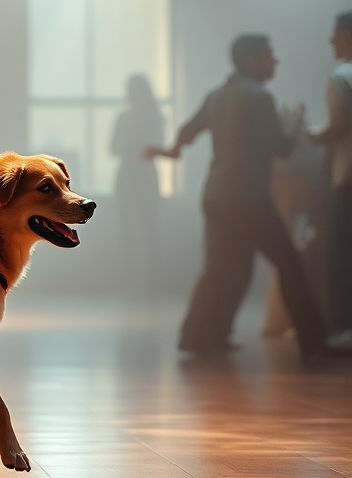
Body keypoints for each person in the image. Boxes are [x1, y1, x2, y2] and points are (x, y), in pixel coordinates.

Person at [147, 34, 343, 359]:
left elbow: (188, 130)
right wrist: (293, 126)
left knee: (225, 267)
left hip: (215, 195)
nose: (275, 62)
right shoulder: (259, 98)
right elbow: (282, 147)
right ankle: (314, 342)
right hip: (247, 197)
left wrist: (171, 152)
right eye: (269, 55)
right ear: (251, 60)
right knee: (289, 264)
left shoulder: (216, 96)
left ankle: (198, 337)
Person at [308, 11, 352, 341]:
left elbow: (337, 127)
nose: (330, 40)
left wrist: (308, 135)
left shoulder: (341, 76)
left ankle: (343, 327)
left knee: (339, 253)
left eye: (335, 33)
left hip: (348, 179)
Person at [110, 75, 164, 297]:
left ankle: (150, 282)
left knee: (149, 232)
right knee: (127, 233)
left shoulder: (153, 118)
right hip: (129, 177)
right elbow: (112, 148)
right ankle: (129, 283)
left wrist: (132, 146)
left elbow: (158, 145)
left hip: (142, 177)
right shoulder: (125, 118)